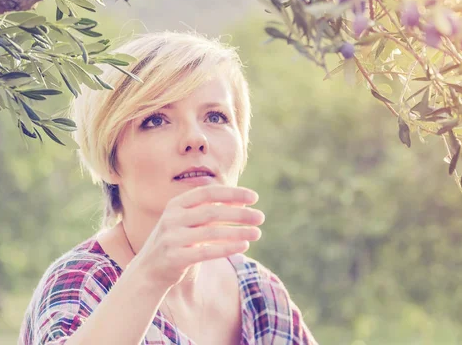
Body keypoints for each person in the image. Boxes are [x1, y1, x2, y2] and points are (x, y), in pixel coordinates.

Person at [18, 31, 318, 345]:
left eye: (215, 116)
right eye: (156, 120)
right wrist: (151, 273)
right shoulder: (81, 283)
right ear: (109, 160)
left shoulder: (258, 293)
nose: (195, 138)